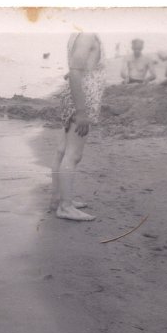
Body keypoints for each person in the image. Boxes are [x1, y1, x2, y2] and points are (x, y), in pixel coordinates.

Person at [51, 33, 105, 221]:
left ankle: (58, 199)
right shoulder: (87, 35)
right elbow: (74, 72)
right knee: (73, 154)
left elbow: (76, 68)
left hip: (78, 96)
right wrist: (82, 111)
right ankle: (65, 207)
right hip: (82, 99)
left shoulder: (79, 33)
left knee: (63, 150)